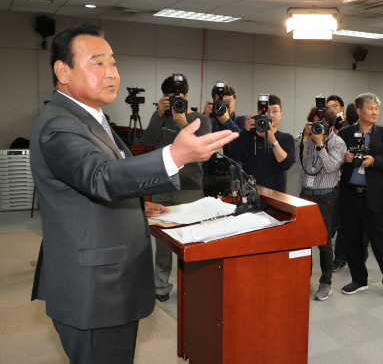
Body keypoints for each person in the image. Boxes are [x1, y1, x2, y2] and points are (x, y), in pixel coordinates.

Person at [29, 24, 237, 364]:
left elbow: (94, 180)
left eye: (113, 63)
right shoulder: (60, 124)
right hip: (95, 290)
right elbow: (99, 176)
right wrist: (175, 156)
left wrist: (138, 201)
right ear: (62, 71)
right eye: (98, 63)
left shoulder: (91, 118)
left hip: (106, 283)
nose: (112, 73)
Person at [143, 75, 211, 301]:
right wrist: (157, 114)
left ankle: (191, 285)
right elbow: (148, 141)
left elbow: (205, 146)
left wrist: (183, 123)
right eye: (170, 97)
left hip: (190, 187)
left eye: (179, 97)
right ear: (164, 98)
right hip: (162, 186)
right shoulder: (160, 118)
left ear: (187, 96)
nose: (175, 102)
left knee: (190, 239)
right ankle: (160, 287)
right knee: (163, 242)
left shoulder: (200, 119)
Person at [338, 93, 383, 301]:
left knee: (380, 241)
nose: (374, 112)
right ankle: (358, 279)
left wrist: (374, 161)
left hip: (375, 196)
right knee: (352, 240)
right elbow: (334, 161)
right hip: (350, 196)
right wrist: (344, 158)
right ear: (358, 111)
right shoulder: (344, 133)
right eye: (370, 108)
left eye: (377, 108)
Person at [295, 105, 346, 301]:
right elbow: (302, 163)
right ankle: (302, 278)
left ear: (330, 125)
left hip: (325, 197)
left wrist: (320, 145)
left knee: (323, 242)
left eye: (321, 123)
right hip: (305, 195)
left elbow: (331, 166)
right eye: (314, 122)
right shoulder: (308, 139)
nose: (318, 126)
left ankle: (326, 283)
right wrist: (306, 138)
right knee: (303, 241)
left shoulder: (338, 143)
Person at [229, 94, 295, 192]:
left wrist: (272, 140)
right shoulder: (249, 136)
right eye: (266, 111)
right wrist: (245, 131)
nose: (270, 115)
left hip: (276, 194)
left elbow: (287, 164)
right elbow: (234, 157)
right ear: (258, 113)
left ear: (280, 115)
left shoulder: (286, 138)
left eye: (274, 111)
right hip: (251, 193)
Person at [202, 83, 246, 197]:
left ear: (235, 101)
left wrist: (227, 121)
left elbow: (244, 144)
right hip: (209, 176)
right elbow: (197, 141)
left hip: (233, 177)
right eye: (221, 102)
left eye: (229, 101)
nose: (225, 105)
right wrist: (204, 117)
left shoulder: (241, 121)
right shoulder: (208, 121)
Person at [332, 100, 360, 271]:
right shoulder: (342, 132)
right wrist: (344, 158)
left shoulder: (378, 133)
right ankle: (340, 257)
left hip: (365, 186)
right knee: (343, 222)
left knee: (361, 225)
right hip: (345, 184)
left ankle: (358, 258)